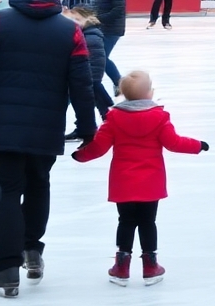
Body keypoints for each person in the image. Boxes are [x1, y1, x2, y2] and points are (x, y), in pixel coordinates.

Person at [0, 0, 97, 296]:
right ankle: (32, 249)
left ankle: (6, 268)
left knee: (7, 191)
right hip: (46, 125)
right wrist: (87, 126)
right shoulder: (70, 31)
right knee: (38, 185)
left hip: (3, 125)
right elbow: (82, 83)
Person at [71, 70, 205, 287]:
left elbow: (99, 147)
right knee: (148, 222)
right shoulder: (159, 117)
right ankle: (150, 266)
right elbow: (174, 142)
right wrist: (197, 145)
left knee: (125, 221)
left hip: (123, 182)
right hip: (151, 183)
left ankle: (121, 266)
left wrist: (81, 155)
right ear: (149, 93)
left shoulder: (114, 118)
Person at [63, 6, 112, 138]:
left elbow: (94, 60)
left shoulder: (91, 36)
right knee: (91, 102)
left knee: (93, 102)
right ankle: (86, 127)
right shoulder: (87, 33)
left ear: (87, 19)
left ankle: (108, 125)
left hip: (90, 76)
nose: (74, 22)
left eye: (77, 19)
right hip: (87, 76)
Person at [92, 0, 126, 93]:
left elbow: (119, 9)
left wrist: (99, 19)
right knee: (101, 56)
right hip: (104, 26)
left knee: (102, 57)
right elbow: (99, 4)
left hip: (112, 28)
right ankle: (118, 83)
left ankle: (118, 82)